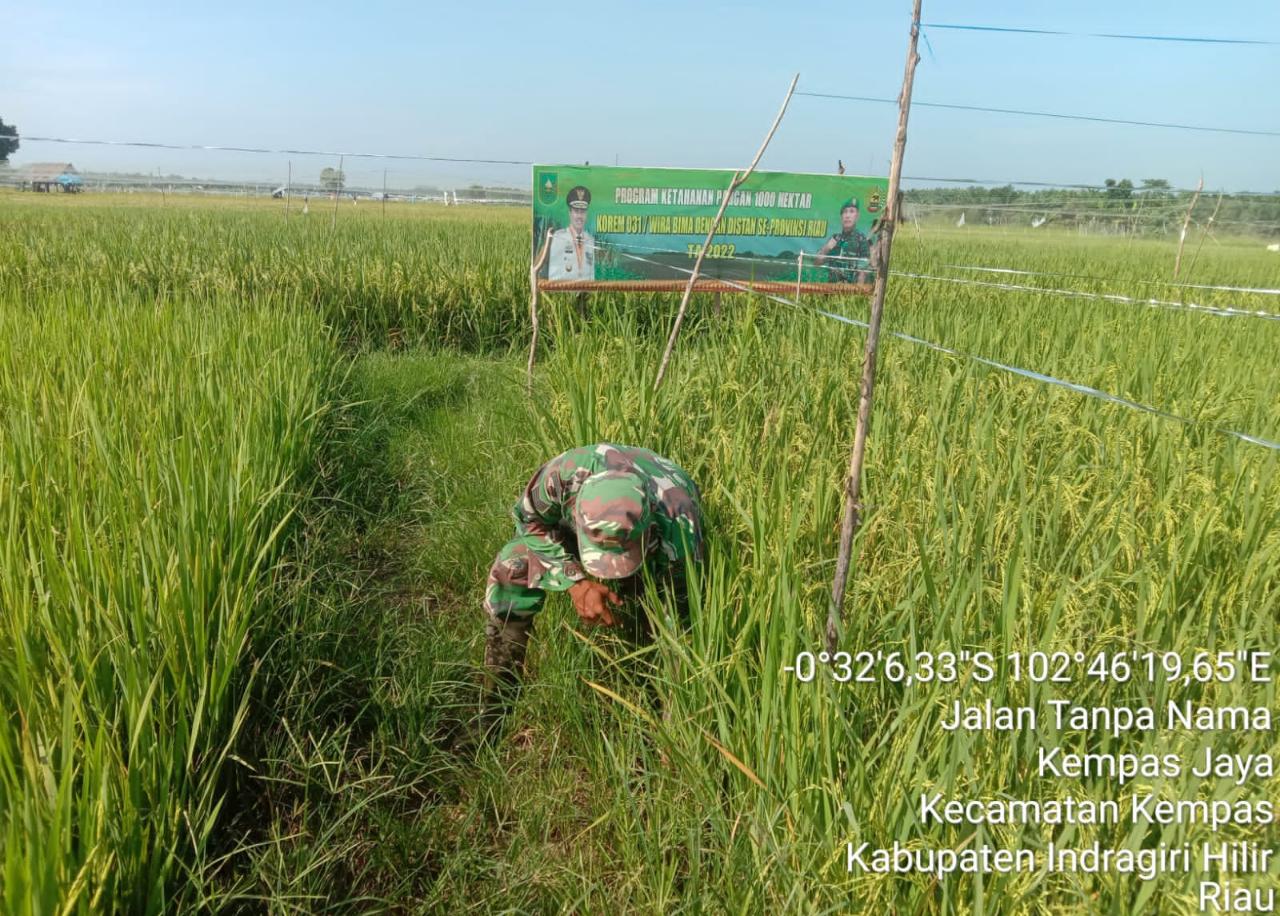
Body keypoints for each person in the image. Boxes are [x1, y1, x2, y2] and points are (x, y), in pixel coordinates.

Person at [482, 443, 703, 708]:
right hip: (584, 528)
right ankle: (497, 698)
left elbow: (681, 616)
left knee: (670, 623)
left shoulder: (680, 523)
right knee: (512, 564)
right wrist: (575, 582)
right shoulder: (564, 476)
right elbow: (529, 522)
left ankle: (666, 711)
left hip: (658, 541)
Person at [814, 198, 872, 284]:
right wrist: (826, 249)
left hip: (850, 292)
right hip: (830, 291)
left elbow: (864, 272)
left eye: (852, 211)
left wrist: (857, 293)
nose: (847, 216)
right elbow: (817, 263)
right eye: (845, 212)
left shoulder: (862, 240)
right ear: (841, 216)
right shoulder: (835, 238)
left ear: (857, 216)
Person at [547, 185, 596, 281]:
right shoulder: (558, 237)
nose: (579, 216)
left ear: (586, 214)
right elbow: (553, 272)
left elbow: (591, 273)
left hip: (586, 292)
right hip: (564, 292)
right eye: (576, 211)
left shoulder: (590, 240)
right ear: (570, 213)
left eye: (583, 212)